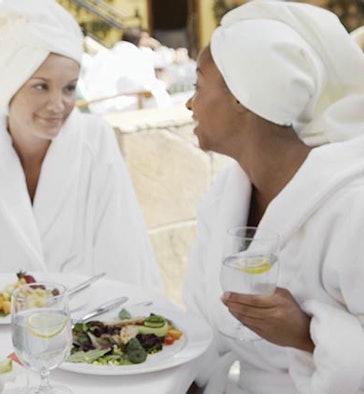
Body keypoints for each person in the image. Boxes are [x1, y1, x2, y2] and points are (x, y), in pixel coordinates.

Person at [0, 0, 163, 290]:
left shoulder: (94, 139)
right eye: (41, 86)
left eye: (69, 88)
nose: (58, 105)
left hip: (87, 318)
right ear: (9, 86)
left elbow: (124, 250)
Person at [182, 2, 364, 393]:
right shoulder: (223, 199)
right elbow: (200, 335)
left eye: (198, 85)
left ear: (242, 98)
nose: (189, 102)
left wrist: (305, 335)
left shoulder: (353, 208)